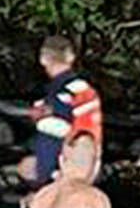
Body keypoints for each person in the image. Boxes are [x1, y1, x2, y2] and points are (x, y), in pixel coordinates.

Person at [19, 35, 103, 188]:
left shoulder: (61, 95)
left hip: (69, 171)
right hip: (91, 164)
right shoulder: (85, 89)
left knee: (25, 169)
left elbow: (55, 134)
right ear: (71, 58)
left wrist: (43, 180)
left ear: (43, 59)